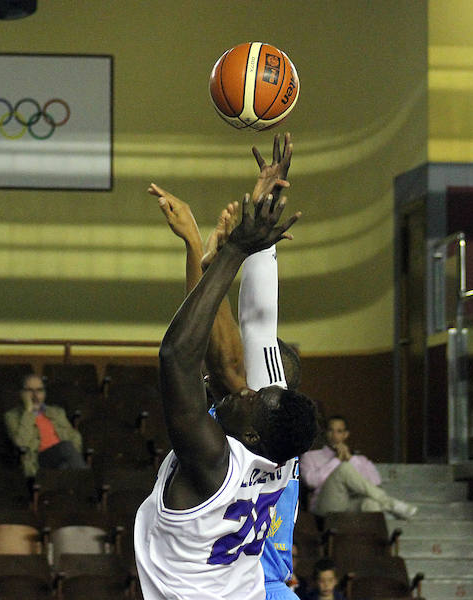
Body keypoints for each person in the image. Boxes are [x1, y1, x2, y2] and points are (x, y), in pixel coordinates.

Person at [134, 188, 320, 600]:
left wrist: (242, 247)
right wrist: (214, 255)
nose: (246, 390)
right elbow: (223, 362)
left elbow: (184, 354)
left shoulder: (215, 459)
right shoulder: (274, 453)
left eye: (255, 393)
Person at [301, 415, 417, 519]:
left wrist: (351, 459)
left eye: (339, 431)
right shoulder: (311, 456)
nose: (334, 435)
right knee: (344, 469)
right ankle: (391, 504)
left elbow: (375, 482)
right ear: (325, 433)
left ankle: (371, 542)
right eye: (331, 430)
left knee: (372, 504)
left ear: (346, 435)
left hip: (351, 502)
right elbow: (312, 482)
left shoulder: (360, 460)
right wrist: (337, 461)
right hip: (325, 505)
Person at [4, 373, 87, 477]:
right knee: (66, 447)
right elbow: (21, 443)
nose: (35, 395)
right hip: (38, 459)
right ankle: (87, 481)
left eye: (39, 390)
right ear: (22, 393)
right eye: (30, 390)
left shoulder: (57, 412)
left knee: (64, 467)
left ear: (44, 393)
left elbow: (75, 437)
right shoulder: (12, 416)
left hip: (61, 457)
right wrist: (28, 412)